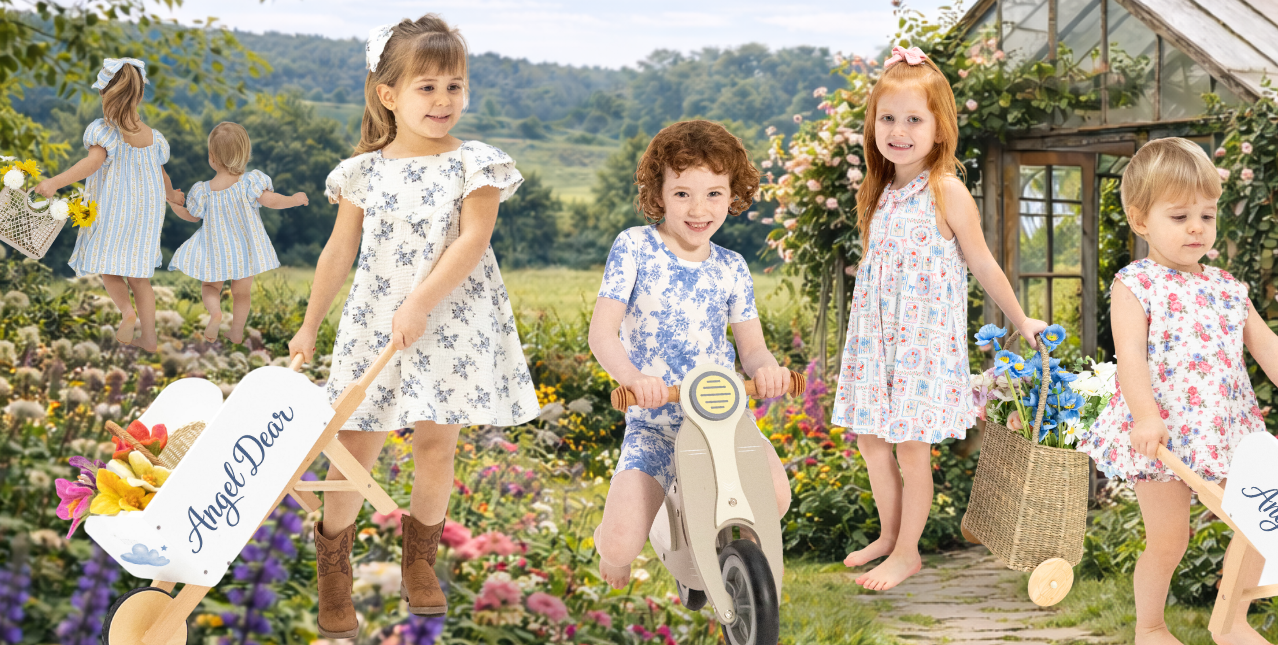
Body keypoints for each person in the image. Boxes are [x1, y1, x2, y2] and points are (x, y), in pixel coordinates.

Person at [287, 15, 538, 635]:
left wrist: (422, 301)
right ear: (388, 94)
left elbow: (473, 240)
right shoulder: (362, 172)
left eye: (455, 86)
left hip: (450, 317)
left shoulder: (476, 164)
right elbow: (338, 253)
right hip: (376, 319)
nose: (444, 100)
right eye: (427, 87)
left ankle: (419, 564)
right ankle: (334, 574)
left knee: (435, 442)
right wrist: (310, 325)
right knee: (352, 445)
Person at [1072, 138, 1278, 645]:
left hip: (1226, 430)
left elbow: (1270, 348)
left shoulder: (1227, 287)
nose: (1197, 228)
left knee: (1257, 527)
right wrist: (1145, 416)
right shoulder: (1136, 284)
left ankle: (1232, 621)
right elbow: (1129, 358)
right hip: (1162, 436)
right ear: (1140, 219)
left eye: (1207, 216)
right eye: (1180, 216)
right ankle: (1150, 625)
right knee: (1170, 541)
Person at [830, 46, 1048, 591]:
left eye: (913, 119)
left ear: (938, 127)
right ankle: (889, 534)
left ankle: (907, 552)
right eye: (888, 118)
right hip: (878, 342)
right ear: (873, 124)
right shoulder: (880, 191)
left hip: (922, 346)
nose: (898, 130)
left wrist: (1021, 321)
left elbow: (982, 262)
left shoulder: (945, 191)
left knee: (911, 448)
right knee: (871, 442)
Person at [587, 119, 794, 587]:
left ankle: (719, 553)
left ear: (733, 195)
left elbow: (754, 350)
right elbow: (602, 334)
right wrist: (633, 379)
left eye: (714, 194)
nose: (699, 208)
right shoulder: (635, 247)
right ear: (658, 194)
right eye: (682, 193)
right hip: (655, 423)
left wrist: (769, 372)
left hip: (721, 419)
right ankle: (628, 538)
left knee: (774, 498)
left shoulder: (732, 267)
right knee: (620, 543)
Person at [33, 58, 182, 351]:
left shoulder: (103, 131)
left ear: (104, 94)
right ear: (139, 96)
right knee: (140, 279)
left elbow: (91, 164)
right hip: (146, 216)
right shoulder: (155, 139)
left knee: (110, 269)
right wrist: (172, 195)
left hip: (113, 211)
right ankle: (150, 338)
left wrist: (54, 182)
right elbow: (161, 173)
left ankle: (127, 313)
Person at [165, 122, 308, 344]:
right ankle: (237, 331)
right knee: (242, 293)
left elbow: (192, 216)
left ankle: (215, 313)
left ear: (212, 157)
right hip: (244, 250)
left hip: (216, 249)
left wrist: (174, 206)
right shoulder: (250, 182)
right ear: (245, 154)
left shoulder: (203, 191)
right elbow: (271, 201)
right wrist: (293, 200)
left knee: (211, 286)